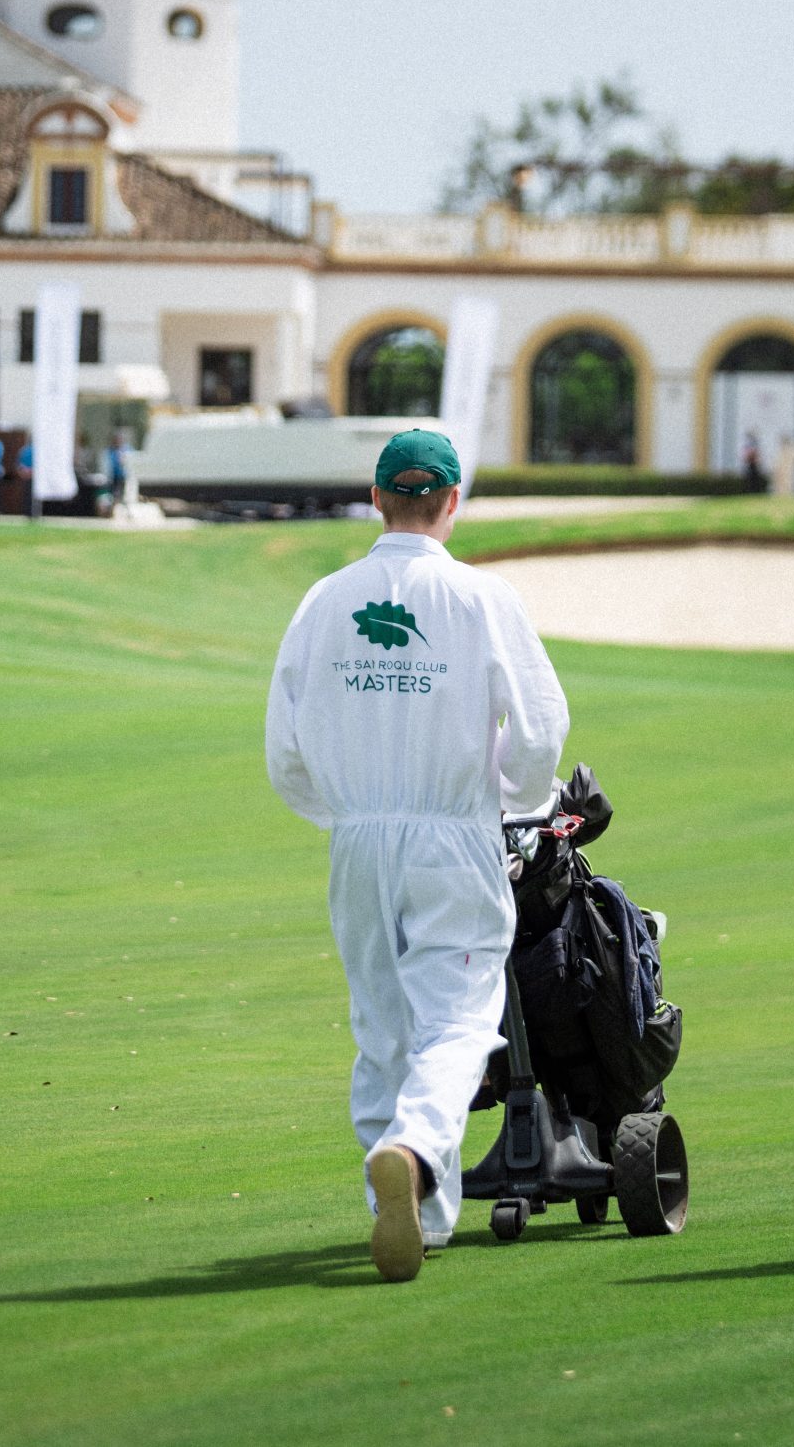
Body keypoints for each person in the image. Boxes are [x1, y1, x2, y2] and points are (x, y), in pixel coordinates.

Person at [265, 428, 570, 1282]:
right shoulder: (481, 597)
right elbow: (540, 729)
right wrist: (513, 800)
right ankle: (415, 1149)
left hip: (357, 839)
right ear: (452, 501)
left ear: (376, 499)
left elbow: (285, 748)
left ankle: (413, 1219)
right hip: (452, 832)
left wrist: (341, 813)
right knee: (460, 1018)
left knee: (381, 1027)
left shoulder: (324, 599)